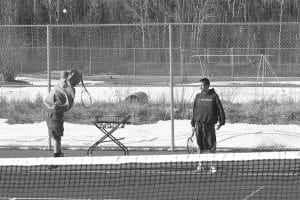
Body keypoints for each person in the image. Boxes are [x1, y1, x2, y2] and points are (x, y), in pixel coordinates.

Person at [44, 69, 82, 159]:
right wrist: (73, 71)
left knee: (57, 135)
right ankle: (58, 153)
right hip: (47, 110)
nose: (69, 75)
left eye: (71, 75)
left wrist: (59, 107)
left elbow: (69, 106)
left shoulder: (71, 90)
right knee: (54, 134)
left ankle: (57, 155)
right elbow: (64, 73)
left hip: (56, 112)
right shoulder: (63, 80)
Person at [191, 78, 225, 173]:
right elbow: (194, 111)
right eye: (200, 85)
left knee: (211, 146)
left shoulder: (214, 96)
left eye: (202, 85)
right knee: (199, 146)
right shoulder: (198, 96)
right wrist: (193, 124)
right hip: (199, 125)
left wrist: (221, 122)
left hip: (209, 126)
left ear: (208, 86)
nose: (201, 87)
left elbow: (220, 110)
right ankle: (200, 165)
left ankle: (213, 166)